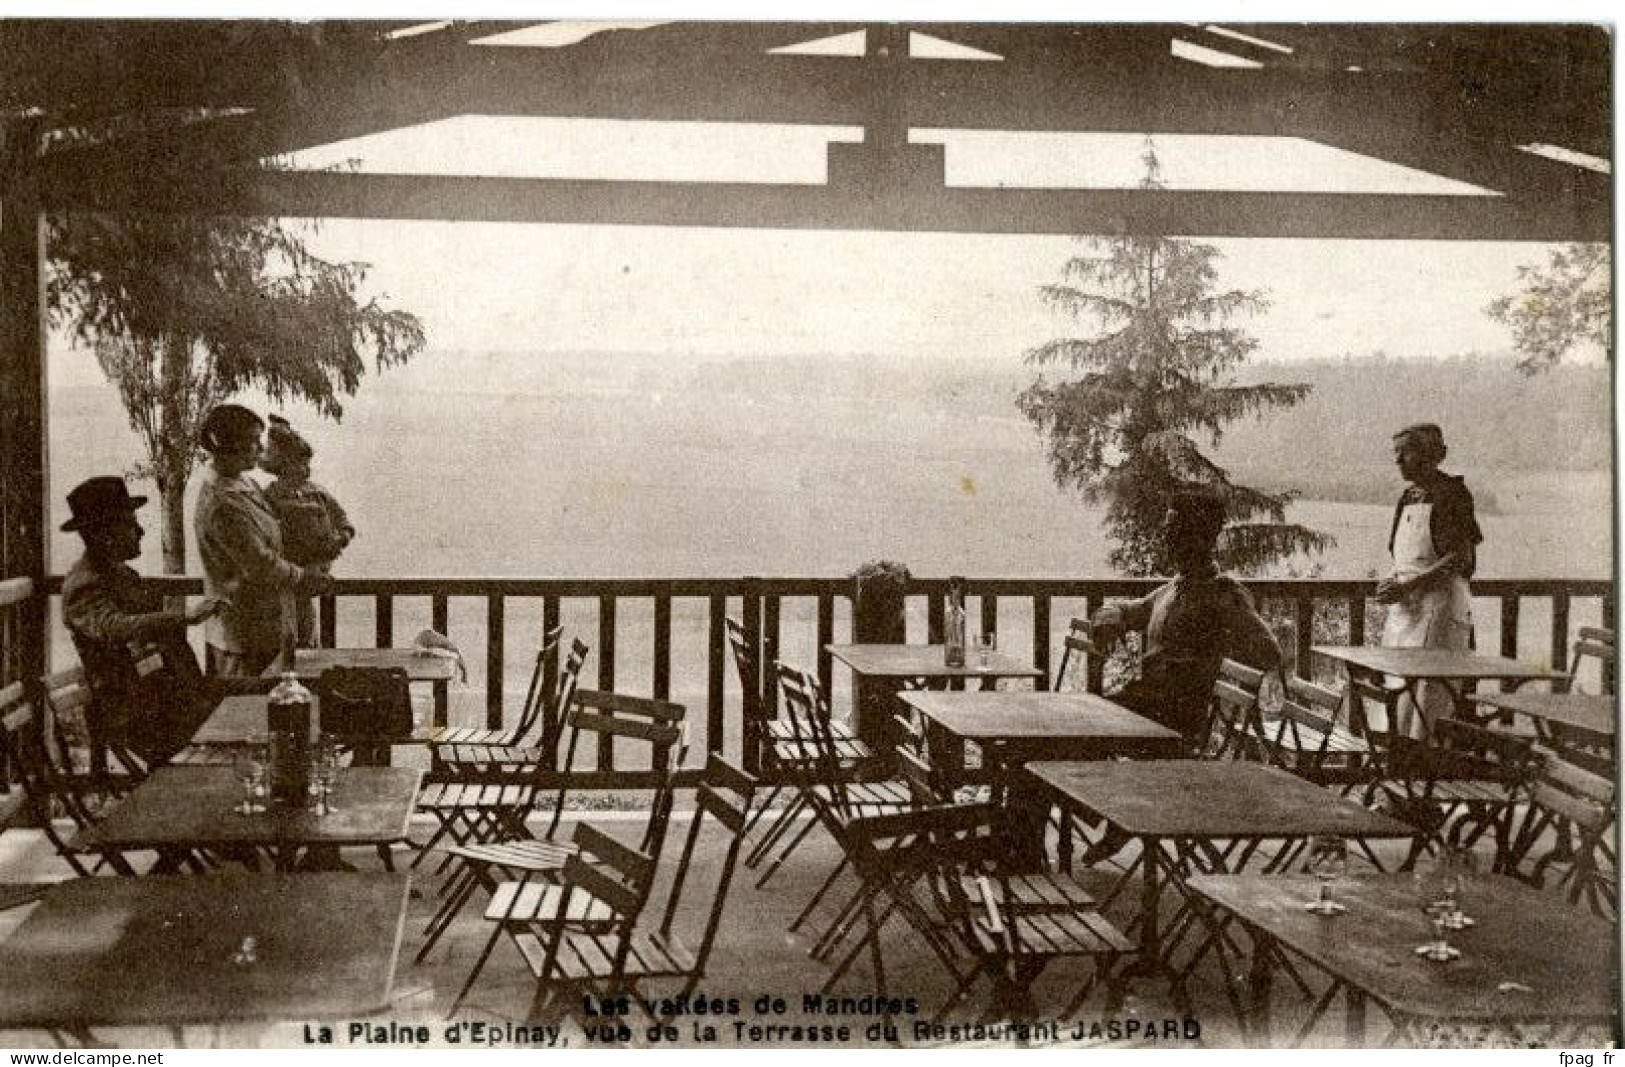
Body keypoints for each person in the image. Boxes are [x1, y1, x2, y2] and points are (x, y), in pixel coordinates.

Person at [1088, 487, 1285, 753]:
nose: (1166, 537)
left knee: (1074, 737)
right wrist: (1109, 615)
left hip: (1170, 723)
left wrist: (1206, 662)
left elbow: (1268, 651)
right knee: (1068, 729)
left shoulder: (1222, 594)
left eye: (1174, 530)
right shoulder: (1176, 588)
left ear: (1199, 537)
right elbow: (1134, 609)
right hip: (1144, 709)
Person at [60, 476, 232, 766]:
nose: (140, 531)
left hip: (170, 698)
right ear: (104, 534)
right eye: (130, 523)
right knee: (245, 728)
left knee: (266, 694)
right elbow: (112, 626)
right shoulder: (84, 585)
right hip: (143, 717)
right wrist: (186, 617)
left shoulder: (123, 576)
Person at [194, 404, 329, 677]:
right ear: (230, 445)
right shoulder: (221, 502)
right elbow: (259, 563)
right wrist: (304, 576)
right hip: (245, 637)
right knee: (250, 710)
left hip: (270, 628)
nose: (260, 447)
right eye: (253, 440)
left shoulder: (245, 484)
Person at [1376, 423, 1482, 736]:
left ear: (1431, 455)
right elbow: (1403, 557)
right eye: (1395, 453)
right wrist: (1391, 581)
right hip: (1405, 612)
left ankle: (1426, 771)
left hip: (1440, 610)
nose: (1398, 460)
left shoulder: (1453, 494)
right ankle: (1397, 768)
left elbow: (1460, 558)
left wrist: (1408, 585)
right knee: (1398, 692)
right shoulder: (1408, 497)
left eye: (1405, 452)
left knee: (1430, 697)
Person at [261, 415, 355, 646]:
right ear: (282, 466)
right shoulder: (269, 497)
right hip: (288, 582)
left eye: (307, 463)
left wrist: (339, 539)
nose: (305, 470)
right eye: (299, 463)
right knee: (289, 640)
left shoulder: (318, 493)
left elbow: (344, 522)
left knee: (308, 638)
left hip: (315, 577)